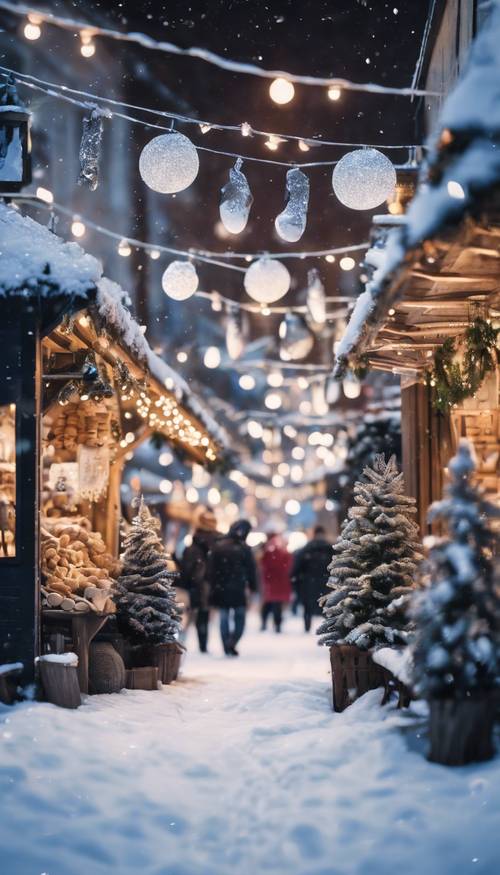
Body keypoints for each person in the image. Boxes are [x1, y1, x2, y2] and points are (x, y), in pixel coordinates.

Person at [207, 519, 257, 656]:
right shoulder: (244, 548)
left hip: (221, 587)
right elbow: (251, 570)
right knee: (239, 617)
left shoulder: (219, 545)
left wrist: (212, 586)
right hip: (238, 588)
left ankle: (226, 644)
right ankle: (232, 642)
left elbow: (211, 570)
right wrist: (253, 587)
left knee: (224, 616)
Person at [180, 507, 219, 652]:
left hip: (196, 584)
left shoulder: (194, 543)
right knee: (204, 613)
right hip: (212, 582)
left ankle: (197, 642)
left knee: (196, 613)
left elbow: (186, 566)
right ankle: (203, 642)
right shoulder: (218, 542)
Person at [292, 525, 332, 632]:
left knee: (307, 608)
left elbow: (296, 569)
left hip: (308, 584)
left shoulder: (306, 549)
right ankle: (329, 629)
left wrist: (296, 584)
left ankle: (307, 627)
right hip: (326, 584)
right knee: (327, 608)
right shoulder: (330, 549)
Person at [259, 532, 292, 633]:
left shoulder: (267, 552)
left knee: (268, 603)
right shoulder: (285, 553)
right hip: (281, 582)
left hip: (271, 582)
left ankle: (264, 622)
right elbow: (289, 567)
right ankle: (277, 624)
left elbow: (263, 566)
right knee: (277, 604)